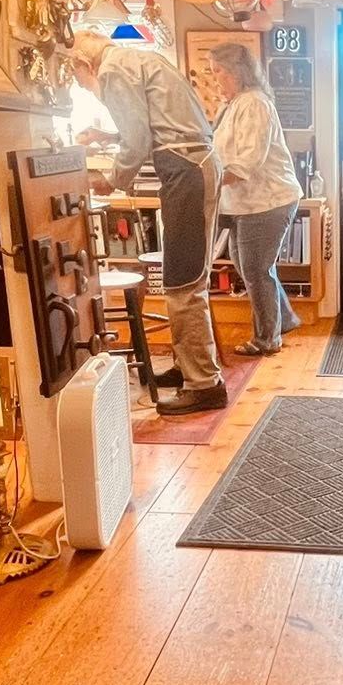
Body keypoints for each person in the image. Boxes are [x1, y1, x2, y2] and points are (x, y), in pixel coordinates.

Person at [69, 28, 226, 416]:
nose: (88, 89)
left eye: (80, 83)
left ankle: (205, 383)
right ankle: (190, 368)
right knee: (185, 275)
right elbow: (148, 128)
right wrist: (108, 136)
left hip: (185, 169)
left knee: (182, 279)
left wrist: (112, 180)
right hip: (191, 165)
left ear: (85, 65)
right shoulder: (139, 60)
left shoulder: (113, 70)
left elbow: (138, 141)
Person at [209, 39, 304, 357]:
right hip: (245, 203)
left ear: (236, 71)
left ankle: (268, 338)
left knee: (256, 269)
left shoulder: (254, 103)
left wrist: (208, 181)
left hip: (268, 201)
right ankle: (284, 319)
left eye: (218, 71)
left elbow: (247, 161)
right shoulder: (232, 105)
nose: (215, 79)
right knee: (249, 266)